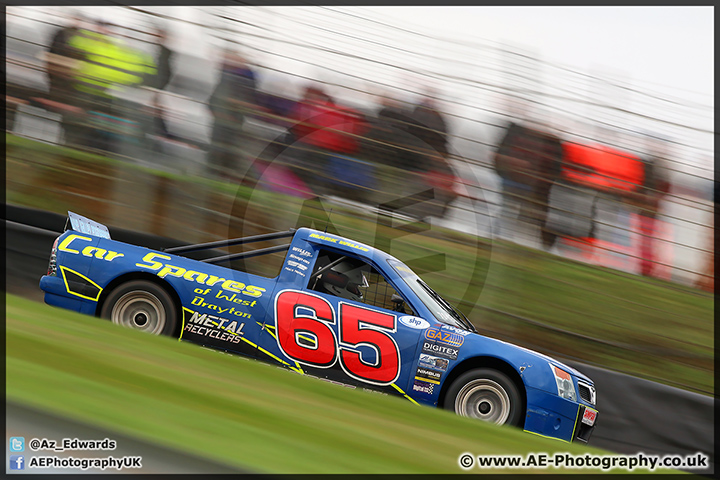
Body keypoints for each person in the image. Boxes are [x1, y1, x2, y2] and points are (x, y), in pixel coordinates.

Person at [493, 118, 564, 245]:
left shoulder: (521, 134)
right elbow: (554, 169)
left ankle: (499, 239)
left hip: (517, 182)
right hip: (527, 185)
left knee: (508, 212)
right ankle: (506, 240)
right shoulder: (551, 142)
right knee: (518, 215)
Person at [207, 49, 258, 178]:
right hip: (223, 118)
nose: (222, 61)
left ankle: (221, 174)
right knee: (219, 148)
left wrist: (226, 106)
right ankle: (216, 173)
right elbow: (217, 95)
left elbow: (244, 100)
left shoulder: (244, 76)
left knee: (225, 149)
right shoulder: (227, 74)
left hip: (230, 119)